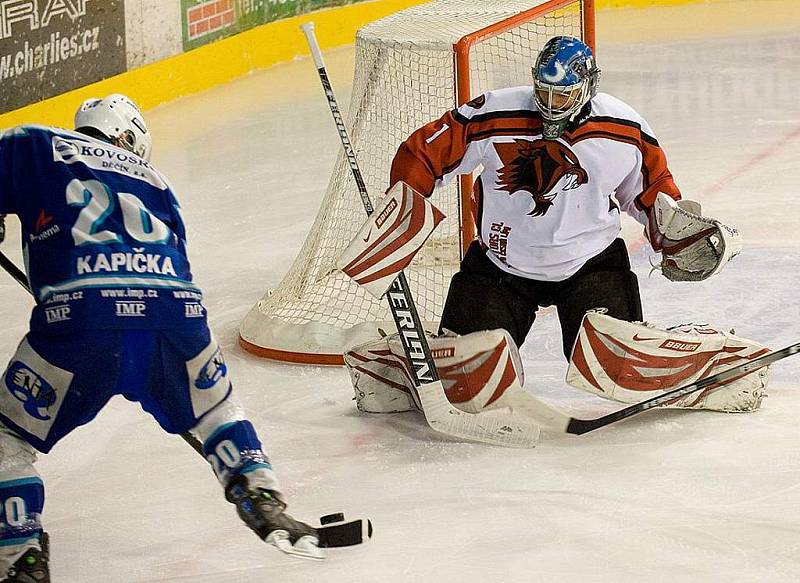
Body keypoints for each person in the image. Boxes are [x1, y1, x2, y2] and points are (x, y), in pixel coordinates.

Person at [361, 36, 768, 422]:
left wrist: (673, 233)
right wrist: (404, 205)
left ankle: (711, 350)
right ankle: (394, 361)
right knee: (468, 382)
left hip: (590, 264)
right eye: (544, 92)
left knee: (621, 365)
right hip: (502, 266)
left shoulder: (623, 127)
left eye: (563, 95)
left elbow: (651, 191)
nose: (551, 104)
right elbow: (426, 150)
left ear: (587, 87)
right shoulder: (496, 114)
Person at [0, 94, 322, 580]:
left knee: (9, 435)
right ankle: (260, 495)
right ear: (129, 140)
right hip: (175, 313)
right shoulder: (157, 181)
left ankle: (19, 553)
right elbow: (178, 261)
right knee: (216, 412)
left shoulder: (35, 144)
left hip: (82, 319)